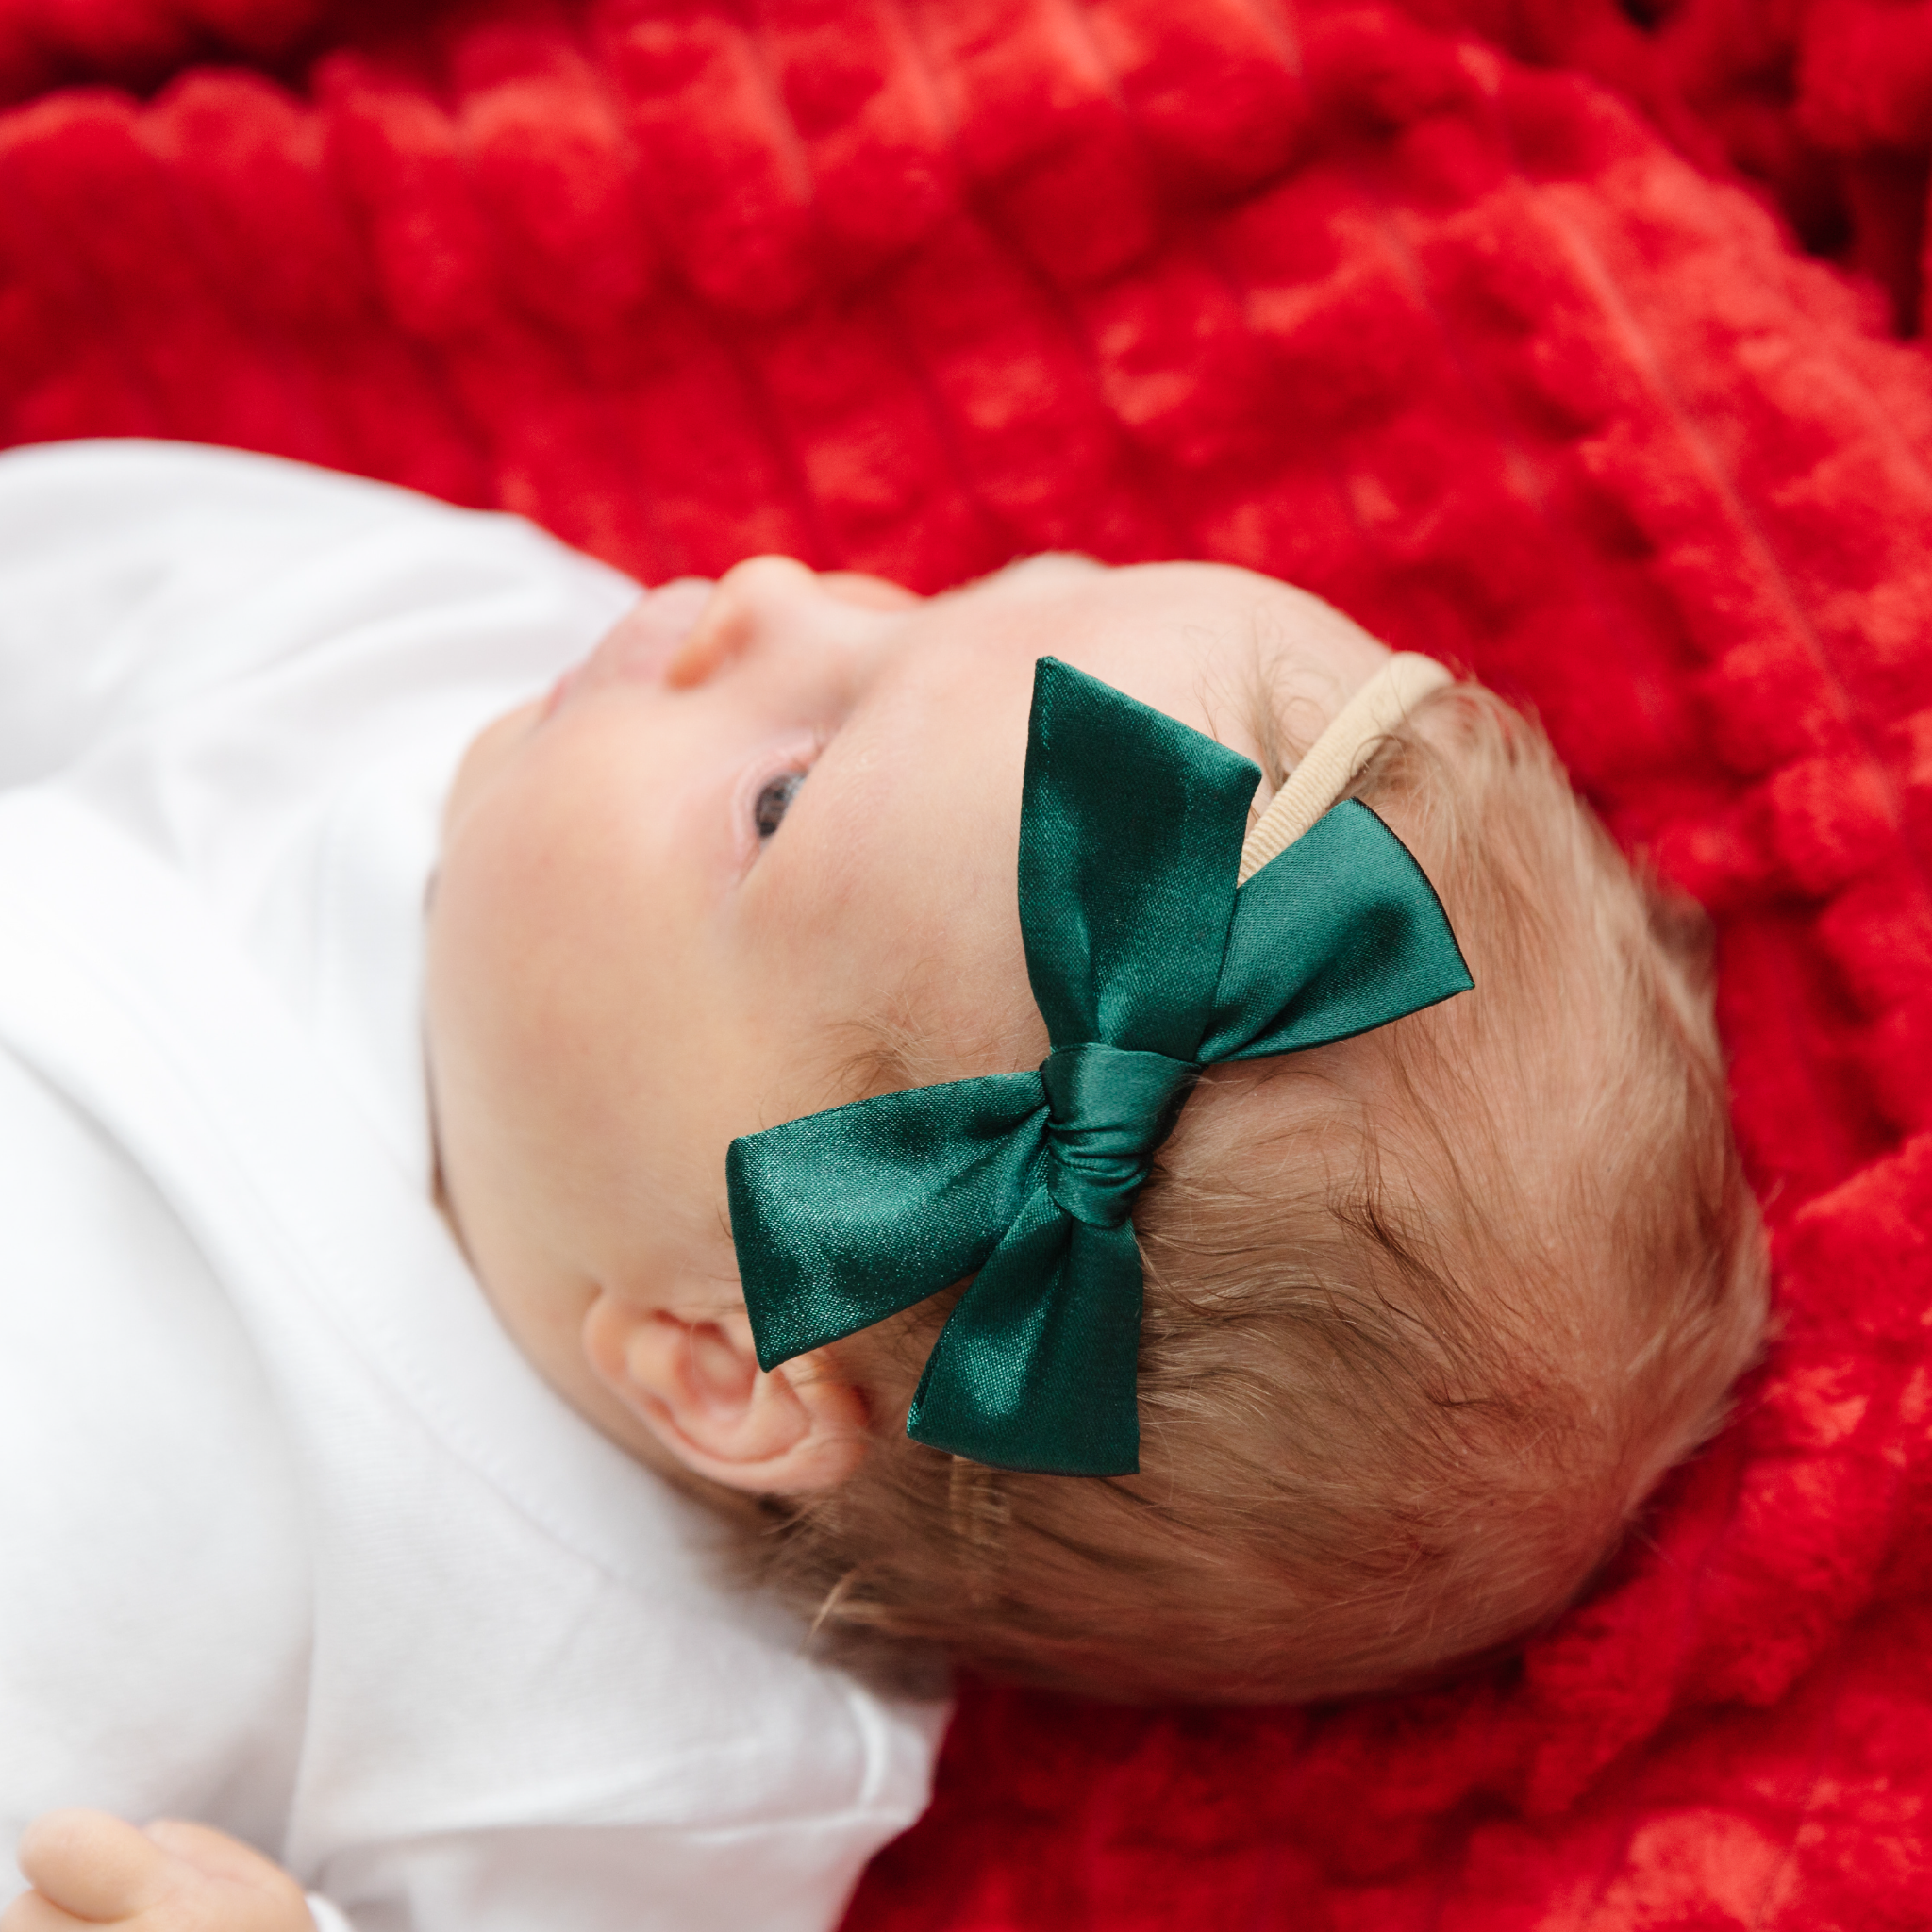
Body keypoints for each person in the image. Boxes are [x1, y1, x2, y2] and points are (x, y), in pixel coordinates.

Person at [0, 439, 1767, 1932]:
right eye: (933, 604)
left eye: (781, 799)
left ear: (729, 1367)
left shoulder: (662, 1737)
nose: (773, 593)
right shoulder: (436, 667)